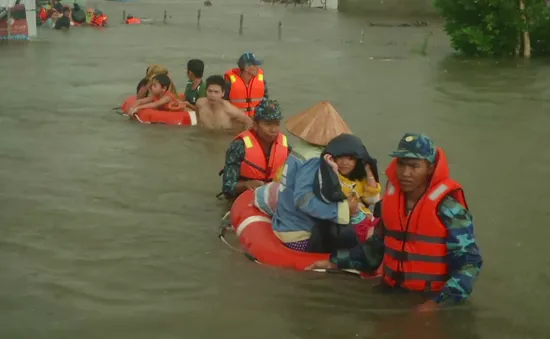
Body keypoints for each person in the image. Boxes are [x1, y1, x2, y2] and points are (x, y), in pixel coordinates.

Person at [306, 133, 483, 310]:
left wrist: (437, 304)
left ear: (430, 168)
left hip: (430, 298)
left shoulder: (449, 210)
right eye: (402, 164)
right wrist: (335, 261)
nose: (406, 173)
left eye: (414, 166)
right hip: (390, 290)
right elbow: (374, 250)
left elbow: (469, 264)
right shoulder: (390, 204)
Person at [220, 99, 290, 199]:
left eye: (277, 124)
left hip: (273, 196)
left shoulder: (285, 145)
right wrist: (246, 185)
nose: (273, 129)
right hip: (245, 199)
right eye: (268, 124)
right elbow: (227, 187)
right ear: (255, 125)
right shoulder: (239, 146)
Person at [224, 52, 268, 118]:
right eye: (255, 65)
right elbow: (223, 105)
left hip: (256, 120)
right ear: (247, 68)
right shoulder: (229, 84)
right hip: (237, 120)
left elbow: (266, 100)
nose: (257, 68)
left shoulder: (262, 82)